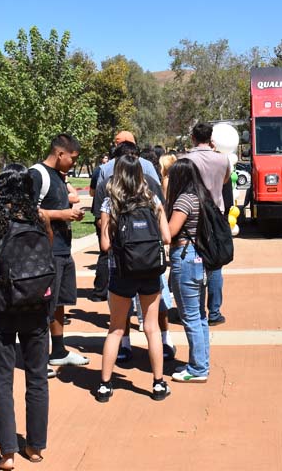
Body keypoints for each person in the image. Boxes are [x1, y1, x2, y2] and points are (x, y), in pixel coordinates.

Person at [0, 164, 52, 470]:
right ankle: (34, 447)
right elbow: (47, 254)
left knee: (2, 380)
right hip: (35, 306)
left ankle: (7, 453)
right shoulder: (38, 217)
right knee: (37, 378)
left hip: (0, 305)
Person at [95, 154, 172, 403]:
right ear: (140, 173)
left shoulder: (110, 203)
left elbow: (105, 244)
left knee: (116, 328)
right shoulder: (153, 200)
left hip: (122, 271)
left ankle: (105, 385)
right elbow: (167, 237)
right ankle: (159, 383)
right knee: (151, 328)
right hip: (150, 270)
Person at [29, 133, 90, 370]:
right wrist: (61, 215)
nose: (74, 162)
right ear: (60, 153)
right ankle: (38, 357)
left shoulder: (59, 176)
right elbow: (26, 211)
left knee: (59, 302)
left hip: (63, 249)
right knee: (44, 304)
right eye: (72, 158)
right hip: (45, 251)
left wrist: (69, 213)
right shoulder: (37, 174)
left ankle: (59, 350)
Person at [89, 132, 163, 301]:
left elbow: (104, 241)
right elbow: (165, 233)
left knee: (118, 322)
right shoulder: (151, 186)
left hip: (120, 260)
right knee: (153, 321)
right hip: (150, 257)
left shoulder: (105, 184)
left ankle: (100, 293)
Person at [163, 159, 212, 383]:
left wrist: (158, 215)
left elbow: (170, 232)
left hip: (185, 257)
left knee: (190, 316)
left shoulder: (184, 200)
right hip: (199, 258)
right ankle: (200, 362)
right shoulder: (201, 196)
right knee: (199, 315)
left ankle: (198, 369)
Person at [183, 122, 230, 326]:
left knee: (191, 259)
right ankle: (214, 311)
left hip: (192, 213)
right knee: (215, 263)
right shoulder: (222, 158)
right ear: (211, 138)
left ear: (193, 137)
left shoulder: (186, 159)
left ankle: (195, 308)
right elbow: (226, 179)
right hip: (217, 214)